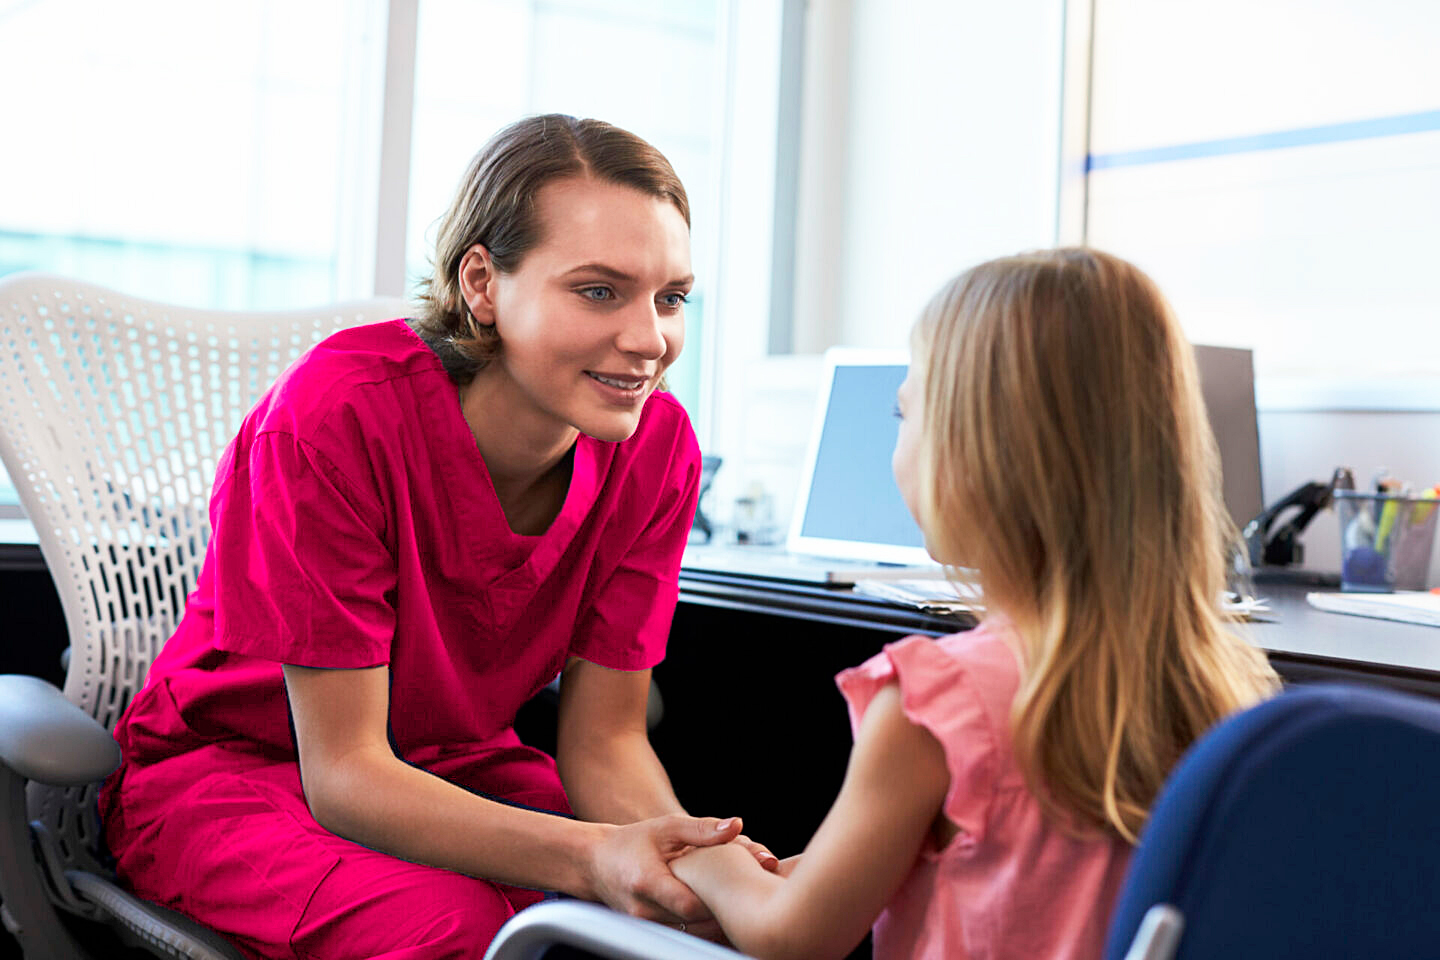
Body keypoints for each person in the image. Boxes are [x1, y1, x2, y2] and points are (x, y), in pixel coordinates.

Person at [100, 114, 774, 960]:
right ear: (484, 284)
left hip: (453, 768)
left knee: (637, 926)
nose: (649, 341)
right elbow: (344, 774)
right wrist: (598, 855)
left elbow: (605, 741)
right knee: (455, 931)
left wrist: (687, 859)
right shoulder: (336, 419)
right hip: (239, 775)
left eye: (671, 297)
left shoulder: (657, 449)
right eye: (599, 291)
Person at [667, 248, 1281, 960]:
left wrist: (703, 858)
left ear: (975, 449)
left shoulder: (937, 702)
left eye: (905, 411)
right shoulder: (1227, 690)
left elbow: (792, 936)